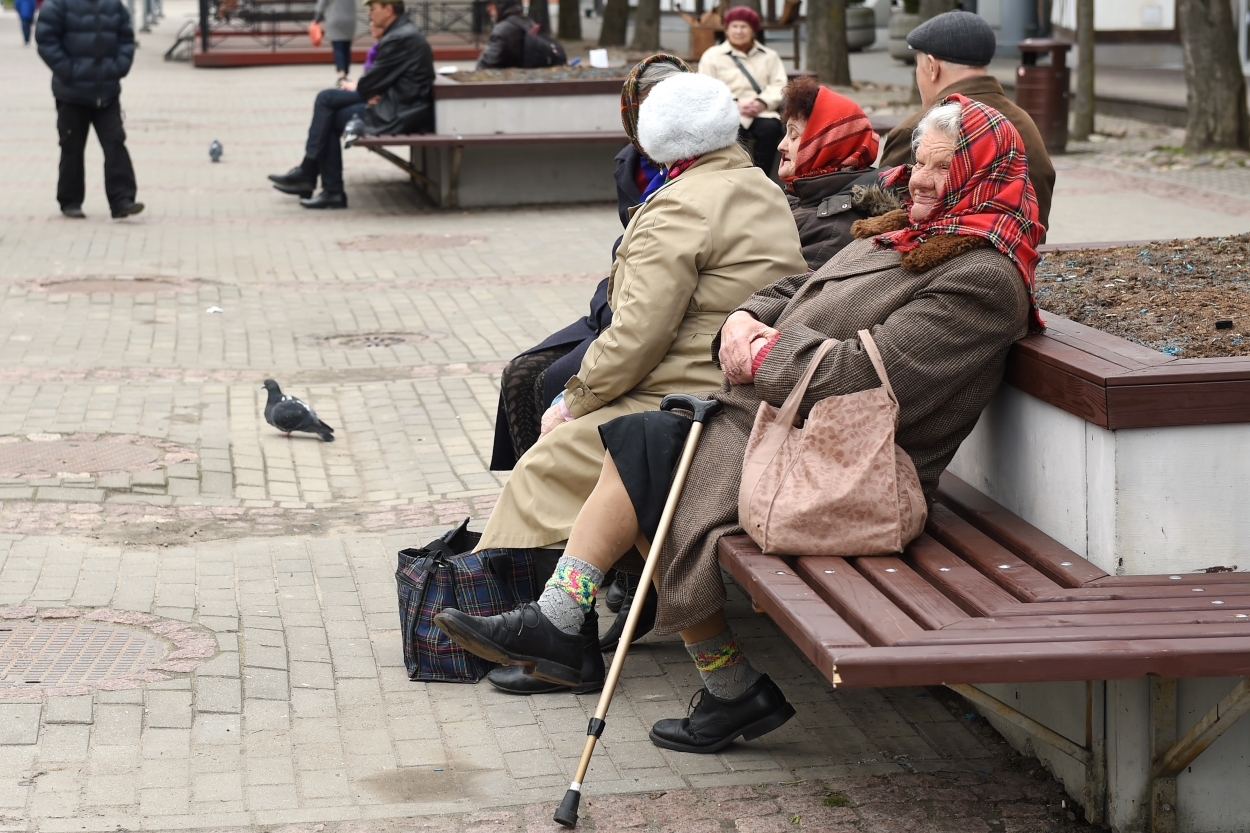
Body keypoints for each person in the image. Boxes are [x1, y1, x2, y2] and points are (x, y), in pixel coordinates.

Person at [437, 95, 1043, 752]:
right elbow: (800, 290)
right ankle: (589, 629)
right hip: (788, 425)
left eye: (939, 168)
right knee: (644, 443)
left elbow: (867, 377)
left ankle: (688, 673)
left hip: (849, 461)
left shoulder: (982, 278)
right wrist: (741, 319)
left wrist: (762, 353)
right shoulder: (915, 232)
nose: (918, 180)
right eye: (918, 164)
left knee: (653, 461)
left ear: (984, 173)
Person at [465, 72, 808, 695]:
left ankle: (561, 635)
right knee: (616, 471)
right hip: (737, 393)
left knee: (553, 460)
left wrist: (575, 399)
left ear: (659, 141)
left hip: (694, 400)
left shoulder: (681, 204)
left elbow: (636, 334)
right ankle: (710, 676)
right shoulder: (756, 185)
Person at [489, 55, 692, 474]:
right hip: (617, 303)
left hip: (654, 318)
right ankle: (529, 495)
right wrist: (606, 301)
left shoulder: (696, 167)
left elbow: (665, 282)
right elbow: (627, 248)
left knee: (550, 384)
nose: (656, 115)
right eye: (648, 103)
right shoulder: (633, 163)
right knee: (519, 373)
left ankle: (549, 498)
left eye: (668, 102)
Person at [879, 9, 1055, 233]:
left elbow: (885, 215)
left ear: (932, 68)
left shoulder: (918, 129)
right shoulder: (1023, 121)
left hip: (947, 260)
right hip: (1022, 253)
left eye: (918, 66)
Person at [268, 0, 433, 210]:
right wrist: (371, 90)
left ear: (388, 10)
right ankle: (323, 186)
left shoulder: (400, 38)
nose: (369, 13)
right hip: (398, 104)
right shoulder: (402, 33)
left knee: (326, 101)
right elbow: (378, 82)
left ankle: (316, 178)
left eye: (373, 8)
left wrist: (370, 90)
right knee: (329, 111)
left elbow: (369, 83)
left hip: (400, 111)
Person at [35, 0, 143, 220]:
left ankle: (122, 200)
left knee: (115, 142)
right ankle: (70, 201)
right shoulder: (58, 4)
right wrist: (70, 71)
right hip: (71, 93)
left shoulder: (113, 5)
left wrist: (118, 67)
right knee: (72, 147)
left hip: (107, 92)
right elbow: (46, 40)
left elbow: (126, 38)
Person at [775, 75, 891, 271]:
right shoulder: (804, 195)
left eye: (793, 135)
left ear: (828, 145)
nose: (781, 146)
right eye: (785, 134)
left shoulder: (831, 229)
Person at [697, 6, 788, 175]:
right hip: (727, 112)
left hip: (761, 111)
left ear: (753, 30)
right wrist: (733, 104)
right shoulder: (712, 56)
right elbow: (706, 88)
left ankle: (762, 178)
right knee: (733, 131)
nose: (739, 31)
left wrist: (762, 102)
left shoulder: (769, 56)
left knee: (771, 129)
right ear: (726, 29)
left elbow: (779, 84)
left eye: (744, 26)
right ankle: (735, 178)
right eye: (734, 26)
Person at [476, 0, 532, 69]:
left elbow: (486, 63)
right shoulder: (526, 21)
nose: (487, 9)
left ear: (500, 4)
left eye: (491, 4)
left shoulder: (502, 30)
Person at [313, 0, 359, 85]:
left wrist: (317, 16)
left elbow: (323, 2)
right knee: (346, 47)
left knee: (338, 48)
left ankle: (342, 74)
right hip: (350, 19)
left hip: (335, 17)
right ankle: (346, 72)